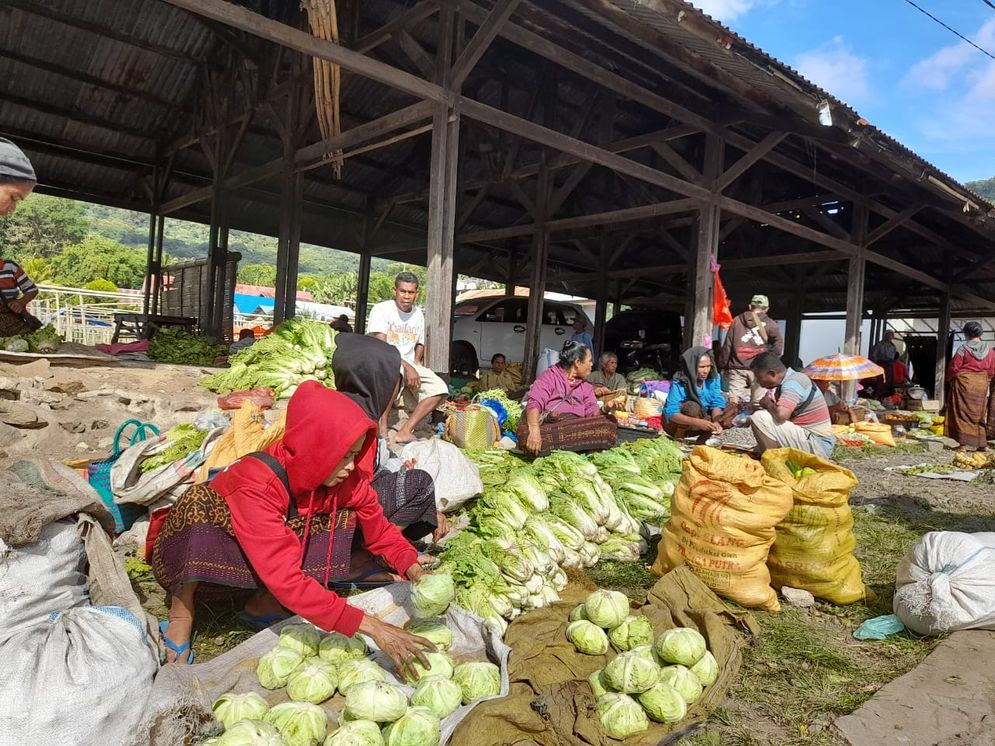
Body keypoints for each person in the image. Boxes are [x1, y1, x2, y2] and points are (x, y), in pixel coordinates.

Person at [152, 381, 438, 673]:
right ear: (316, 449)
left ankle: (262, 603)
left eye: (354, 455)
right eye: (343, 456)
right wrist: (375, 628)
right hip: (220, 553)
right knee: (196, 503)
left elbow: (381, 532)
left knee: (341, 518)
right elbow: (286, 578)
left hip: (273, 555)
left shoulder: (346, 480)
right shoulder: (256, 482)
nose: (351, 467)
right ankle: (182, 612)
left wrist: (411, 566)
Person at [332, 333, 446, 548]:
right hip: (339, 512)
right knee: (419, 484)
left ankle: (381, 545)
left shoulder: (356, 409)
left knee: (417, 490)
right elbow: (357, 484)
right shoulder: (352, 420)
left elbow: (379, 462)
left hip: (352, 503)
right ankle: (371, 553)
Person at [367, 272, 449, 444]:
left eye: (410, 292)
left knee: (440, 388)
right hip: (383, 359)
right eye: (402, 291)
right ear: (394, 291)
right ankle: (382, 429)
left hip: (408, 363)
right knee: (394, 370)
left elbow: (420, 342)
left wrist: (417, 363)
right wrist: (407, 366)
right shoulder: (382, 309)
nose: (406, 296)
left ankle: (405, 430)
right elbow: (383, 347)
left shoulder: (418, 314)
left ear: (416, 293)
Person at [519, 340, 617, 455]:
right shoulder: (549, 377)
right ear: (577, 362)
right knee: (525, 434)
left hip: (576, 429)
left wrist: (606, 408)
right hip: (552, 428)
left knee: (609, 423)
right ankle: (582, 448)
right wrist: (534, 429)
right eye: (589, 361)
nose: (592, 365)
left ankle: (567, 448)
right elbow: (535, 402)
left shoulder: (586, 386)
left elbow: (592, 415)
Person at [749, 351, 835, 458]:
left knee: (760, 417)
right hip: (815, 441)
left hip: (818, 444)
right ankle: (775, 457)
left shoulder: (793, 383)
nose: (758, 382)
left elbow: (782, 415)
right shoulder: (793, 379)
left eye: (758, 377)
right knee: (759, 446)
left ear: (772, 374)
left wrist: (767, 403)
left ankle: (774, 462)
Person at [0, 138, 42, 337]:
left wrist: (18, 303)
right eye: (13, 197)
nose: (13, 208)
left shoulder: (10, 268)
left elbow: (31, 290)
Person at [719, 294, 783, 404]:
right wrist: (769, 361)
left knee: (733, 401)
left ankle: (729, 419)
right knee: (758, 402)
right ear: (767, 309)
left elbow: (728, 345)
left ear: (750, 307)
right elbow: (778, 348)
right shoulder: (771, 324)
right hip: (760, 368)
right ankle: (755, 420)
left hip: (737, 366)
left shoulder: (737, 321)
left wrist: (723, 365)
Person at [946, 321, 995, 452]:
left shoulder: (963, 349)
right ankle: (982, 444)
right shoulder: (990, 350)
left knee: (962, 413)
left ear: (966, 334)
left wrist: (950, 380)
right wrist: (985, 380)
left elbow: (954, 367)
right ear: (980, 334)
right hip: (981, 384)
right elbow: (991, 370)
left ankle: (963, 444)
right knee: (980, 414)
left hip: (963, 383)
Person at [664, 347, 726, 442]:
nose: (706, 371)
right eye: (701, 367)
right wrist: (697, 422)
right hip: (678, 423)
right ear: (691, 367)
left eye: (708, 366)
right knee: (692, 407)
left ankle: (703, 440)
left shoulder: (713, 377)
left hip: (704, 418)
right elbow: (671, 412)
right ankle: (679, 436)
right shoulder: (680, 381)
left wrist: (716, 421)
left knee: (733, 408)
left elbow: (716, 401)